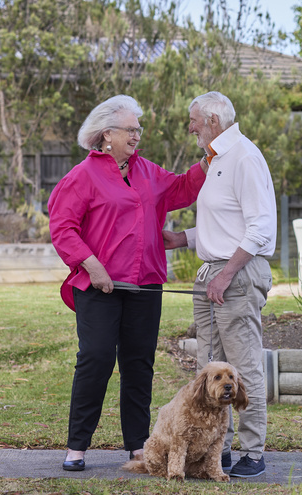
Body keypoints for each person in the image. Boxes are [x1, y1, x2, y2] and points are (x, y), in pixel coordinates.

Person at [48, 95, 206, 472]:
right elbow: (62, 227)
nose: (137, 136)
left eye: (138, 129)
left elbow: (182, 189)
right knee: (96, 359)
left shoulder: (148, 172)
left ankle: (138, 445)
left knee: (139, 363)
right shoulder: (82, 176)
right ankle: (77, 446)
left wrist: (210, 159)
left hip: (145, 283)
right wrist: (92, 265)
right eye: (131, 130)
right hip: (99, 286)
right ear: (107, 134)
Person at [163, 91, 276, 479]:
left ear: (213, 120)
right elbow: (227, 224)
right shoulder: (216, 161)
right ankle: (218, 452)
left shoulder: (244, 157)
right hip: (212, 275)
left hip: (235, 277)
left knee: (242, 367)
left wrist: (226, 274)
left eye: (193, 120)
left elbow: (260, 227)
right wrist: (182, 238)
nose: (189, 127)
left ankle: (253, 453)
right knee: (209, 367)